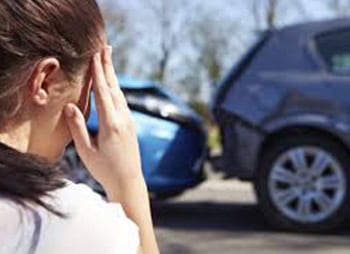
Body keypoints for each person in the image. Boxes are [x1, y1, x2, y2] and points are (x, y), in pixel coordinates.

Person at [0, 1, 159, 253]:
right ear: (45, 82)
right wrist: (128, 184)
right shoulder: (67, 223)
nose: (89, 110)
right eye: (92, 85)